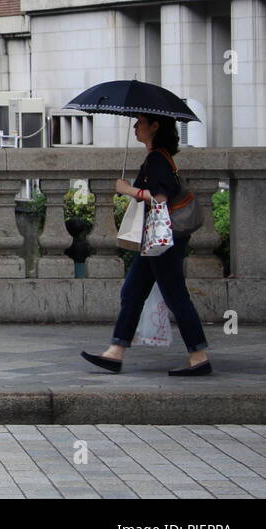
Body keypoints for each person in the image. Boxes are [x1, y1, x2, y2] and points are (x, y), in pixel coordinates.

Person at [82, 113, 211, 376]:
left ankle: (198, 357)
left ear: (154, 126)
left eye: (140, 122)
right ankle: (115, 352)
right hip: (155, 239)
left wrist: (127, 190)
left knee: (174, 295)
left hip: (161, 240)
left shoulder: (157, 159)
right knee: (132, 292)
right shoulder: (158, 158)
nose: (135, 126)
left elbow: (159, 197)